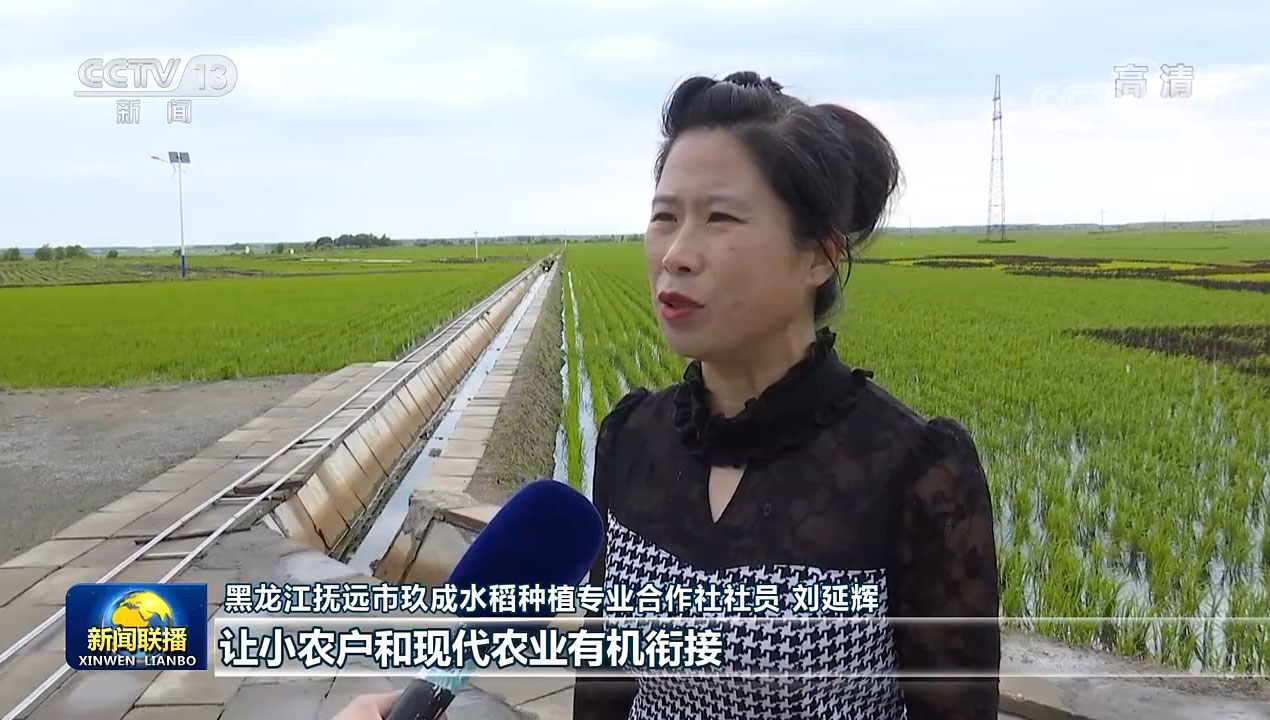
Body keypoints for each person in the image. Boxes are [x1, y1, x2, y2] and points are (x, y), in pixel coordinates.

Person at [571, 71, 1000, 719]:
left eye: (720, 218)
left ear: (820, 256)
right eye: (665, 217)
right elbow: (604, 686)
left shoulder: (911, 469)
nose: (676, 255)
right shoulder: (632, 438)